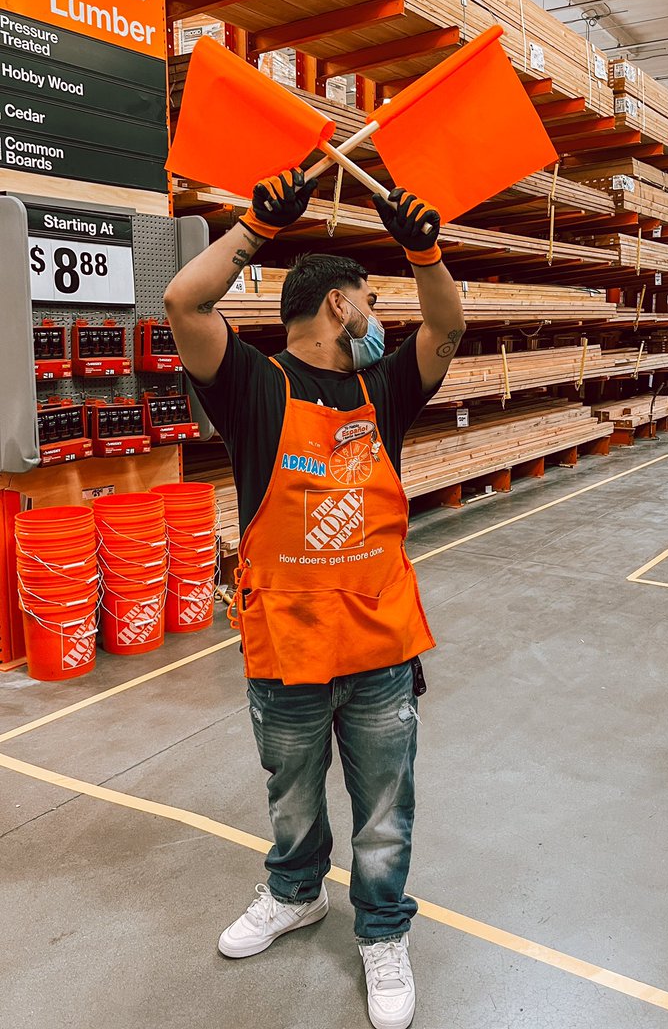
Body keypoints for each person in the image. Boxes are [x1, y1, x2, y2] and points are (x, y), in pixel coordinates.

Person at [164, 166, 466, 1029]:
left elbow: (448, 325)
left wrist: (425, 251)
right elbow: (186, 304)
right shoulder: (255, 387)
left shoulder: (386, 389)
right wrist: (256, 228)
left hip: (378, 651)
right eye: (372, 295)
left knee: (383, 812)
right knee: (291, 797)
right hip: (286, 649)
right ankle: (296, 894)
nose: (381, 310)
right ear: (341, 307)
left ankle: (382, 931)